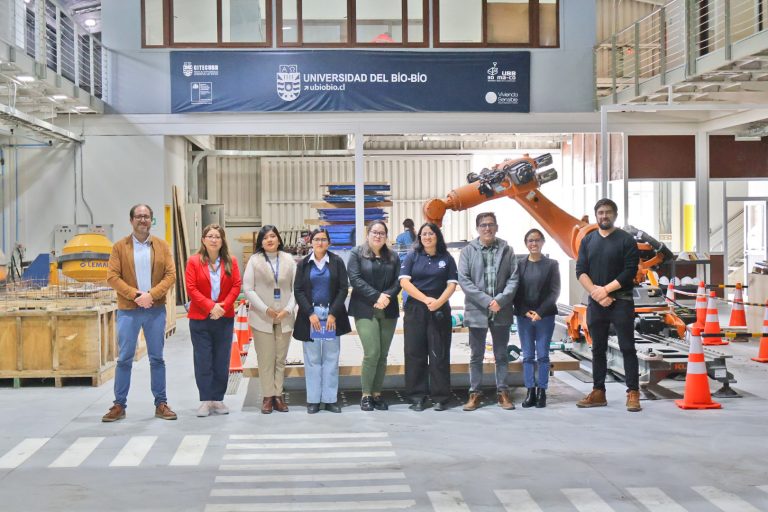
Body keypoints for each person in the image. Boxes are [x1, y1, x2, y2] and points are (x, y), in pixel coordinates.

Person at [102, 204, 177, 422]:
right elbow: (112, 277)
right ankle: (119, 405)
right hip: (129, 310)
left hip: (155, 310)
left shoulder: (162, 246)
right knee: (124, 358)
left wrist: (151, 295)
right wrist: (136, 295)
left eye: (146, 217)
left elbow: (171, 275)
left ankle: (161, 403)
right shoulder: (119, 247)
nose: (142, 220)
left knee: (157, 358)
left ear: (151, 220)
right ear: (131, 220)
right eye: (138, 216)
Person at [575, 198, 641, 412]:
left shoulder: (626, 240)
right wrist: (597, 293)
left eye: (608, 212)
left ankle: (632, 392)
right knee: (598, 349)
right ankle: (598, 391)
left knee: (627, 347)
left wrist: (606, 290)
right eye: (601, 212)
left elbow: (630, 271)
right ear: (596, 216)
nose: (604, 216)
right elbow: (581, 271)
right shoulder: (588, 240)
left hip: (621, 301)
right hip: (596, 303)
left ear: (615, 215)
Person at [458, 212, 519, 411]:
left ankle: (503, 392)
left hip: (501, 310)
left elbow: (514, 279)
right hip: (477, 310)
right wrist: (486, 301)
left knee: (501, 355)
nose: (487, 228)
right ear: (477, 228)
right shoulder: (468, 251)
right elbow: (464, 280)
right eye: (483, 225)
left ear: (497, 227)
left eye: (491, 224)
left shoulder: (506, 250)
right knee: (476, 355)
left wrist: (500, 301)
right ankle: (474, 393)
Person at [399, 222, 458, 411]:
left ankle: (440, 396)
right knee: (415, 352)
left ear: (437, 236)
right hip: (416, 309)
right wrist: (425, 299)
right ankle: (417, 396)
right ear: (419, 237)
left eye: (431, 233)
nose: (427, 237)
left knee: (438, 353)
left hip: (439, 310)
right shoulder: (412, 256)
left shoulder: (446, 258)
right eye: (424, 234)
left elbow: (452, 284)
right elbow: (404, 282)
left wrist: (439, 302)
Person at [185, 224, 242, 417]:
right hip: (201, 318)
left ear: (222, 240)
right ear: (203, 240)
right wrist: (211, 306)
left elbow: (236, 286)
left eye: (217, 236)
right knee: (203, 359)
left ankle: (218, 399)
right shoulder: (193, 261)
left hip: (224, 318)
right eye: (210, 236)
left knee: (221, 359)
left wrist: (223, 307)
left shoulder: (230, 261)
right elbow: (191, 288)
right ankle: (205, 400)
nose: (213, 239)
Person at [293, 228, 351, 414]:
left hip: (331, 316)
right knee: (312, 360)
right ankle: (313, 400)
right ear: (311, 242)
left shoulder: (336, 262)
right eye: (316, 239)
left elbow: (343, 288)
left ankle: (330, 399)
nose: (320, 243)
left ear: (329, 242)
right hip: (311, 317)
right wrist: (310, 313)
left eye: (323, 239)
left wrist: (333, 313)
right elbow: (298, 290)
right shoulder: (303, 264)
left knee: (331, 359)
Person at [242, 225, 296, 414]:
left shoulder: (288, 260)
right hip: (261, 317)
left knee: (280, 359)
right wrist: (265, 309)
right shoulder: (254, 261)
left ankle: (278, 395)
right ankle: (267, 396)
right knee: (266, 359)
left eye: (273, 236)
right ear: (261, 242)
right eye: (265, 238)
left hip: (284, 317)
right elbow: (248, 288)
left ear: (279, 239)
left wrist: (288, 309)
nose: (269, 240)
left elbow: (297, 288)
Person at [348, 221, 401, 411]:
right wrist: (377, 296)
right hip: (364, 308)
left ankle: (377, 393)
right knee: (372, 353)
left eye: (382, 233)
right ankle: (366, 394)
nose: (378, 236)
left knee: (383, 355)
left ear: (386, 236)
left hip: (388, 308)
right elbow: (355, 279)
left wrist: (386, 297)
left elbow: (399, 280)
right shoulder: (356, 253)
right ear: (368, 234)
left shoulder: (393, 256)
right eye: (374, 232)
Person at [513, 228, 560, 409]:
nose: (534, 243)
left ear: (543, 242)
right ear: (526, 243)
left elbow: (554, 291)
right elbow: (515, 291)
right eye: (530, 240)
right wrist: (525, 311)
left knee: (542, 355)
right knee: (527, 356)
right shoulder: (519, 264)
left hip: (545, 317)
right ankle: (530, 390)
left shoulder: (551, 264)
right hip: (524, 317)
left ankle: (542, 391)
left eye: (537, 240)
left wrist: (540, 312)